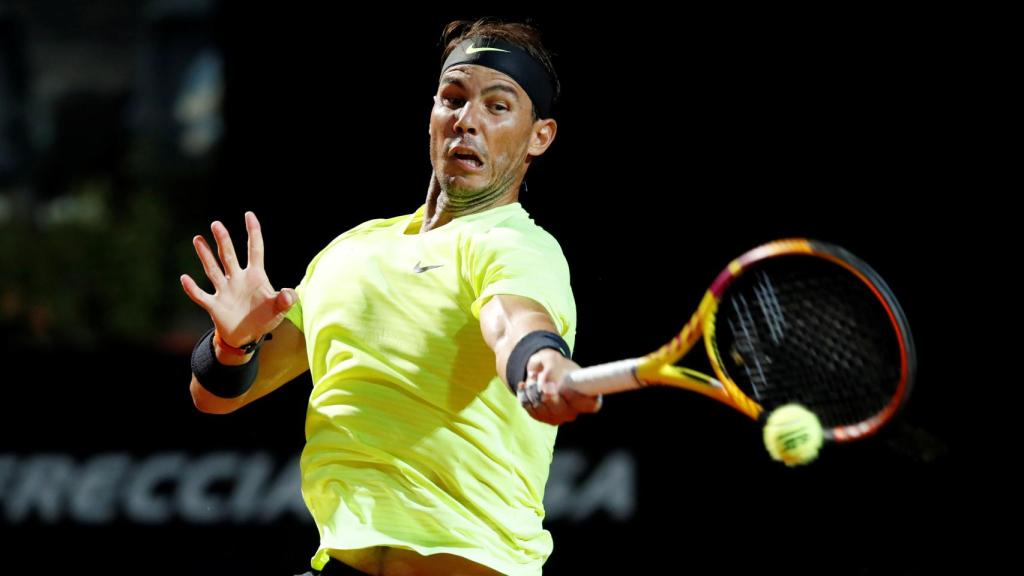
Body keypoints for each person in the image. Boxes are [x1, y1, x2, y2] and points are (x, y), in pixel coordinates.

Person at [181, 18, 600, 576]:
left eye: (498, 107)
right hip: (342, 565)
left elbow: (512, 323)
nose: (467, 120)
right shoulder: (351, 252)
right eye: (453, 99)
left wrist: (538, 362)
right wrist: (235, 344)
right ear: (432, 111)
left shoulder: (515, 247)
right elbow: (216, 397)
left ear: (539, 136)